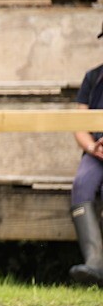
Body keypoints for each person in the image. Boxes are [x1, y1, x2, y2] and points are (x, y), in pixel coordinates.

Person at [69, 21, 103, 288]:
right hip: (96, 151)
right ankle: (94, 263)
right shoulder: (93, 78)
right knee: (82, 184)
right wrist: (93, 147)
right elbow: (79, 124)